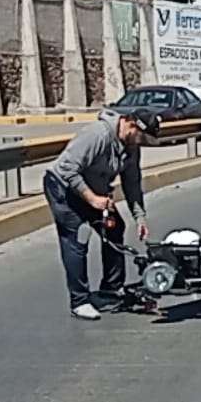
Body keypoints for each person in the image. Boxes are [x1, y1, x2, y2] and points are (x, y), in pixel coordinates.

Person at [43, 107, 158, 320]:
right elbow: (68, 169)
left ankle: (110, 290)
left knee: (115, 229)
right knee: (78, 238)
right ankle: (80, 301)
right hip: (62, 187)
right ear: (131, 124)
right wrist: (93, 199)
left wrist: (139, 217)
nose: (140, 143)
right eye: (141, 137)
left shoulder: (131, 147)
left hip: (94, 191)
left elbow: (132, 182)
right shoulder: (98, 135)